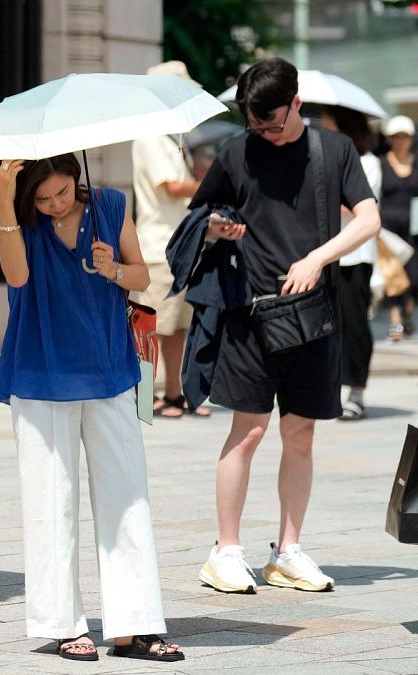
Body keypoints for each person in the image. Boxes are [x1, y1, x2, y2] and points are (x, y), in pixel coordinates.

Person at [189, 58, 379, 594]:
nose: (266, 135)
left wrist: (317, 258)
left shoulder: (333, 151)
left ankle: (287, 550)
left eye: (273, 124)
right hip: (250, 315)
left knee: (301, 433)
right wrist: (218, 228)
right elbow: (200, 216)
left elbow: (368, 218)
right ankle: (225, 552)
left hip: (314, 314)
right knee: (246, 432)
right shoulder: (236, 151)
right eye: (256, 127)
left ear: (296, 103)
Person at [0, 155, 183, 662]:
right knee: (49, 501)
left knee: (127, 495)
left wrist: (114, 268)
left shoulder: (109, 205)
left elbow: (141, 276)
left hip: (110, 367)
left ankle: (135, 625)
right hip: (39, 371)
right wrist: (5, 196)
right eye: (42, 197)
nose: (54, 204)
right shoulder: (21, 220)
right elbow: (15, 277)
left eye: (60, 191)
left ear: (75, 178)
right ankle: (62, 625)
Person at [130, 61, 209, 418]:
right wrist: (210, 183)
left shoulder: (170, 137)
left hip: (177, 245)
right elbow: (172, 186)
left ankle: (173, 395)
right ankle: (143, 398)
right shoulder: (150, 135)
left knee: (175, 327)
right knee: (149, 326)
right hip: (158, 247)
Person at [317, 106, 382, 421]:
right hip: (327, 255)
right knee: (329, 327)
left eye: (329, 124)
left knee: (355, 325)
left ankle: (357, 391)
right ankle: (333, 389)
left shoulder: (368, 163)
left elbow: (356, 208)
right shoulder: (325, 160)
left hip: (356, 257)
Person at [380, 115, 418, 340]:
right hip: (388, 228)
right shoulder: (381, 163)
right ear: (390, 139)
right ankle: (396, 324)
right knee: (392, 275)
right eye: (397, 137)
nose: (401, 141)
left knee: (412, 277)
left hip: (413, 229)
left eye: (405, 137)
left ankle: (408, 311)